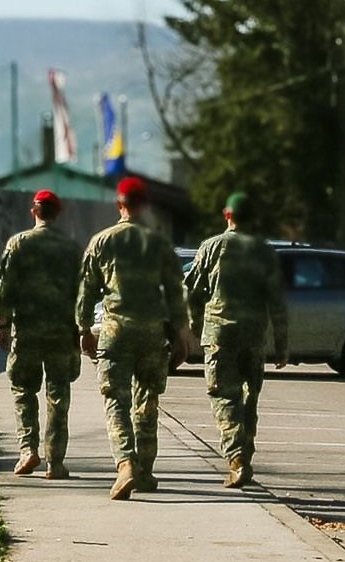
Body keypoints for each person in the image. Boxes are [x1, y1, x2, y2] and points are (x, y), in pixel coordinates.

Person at [77, 176, 193, 499]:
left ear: (120, 204)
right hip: (153, 334)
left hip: (115, 333)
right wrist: (182, 335)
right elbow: (175, 293)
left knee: (116, 400)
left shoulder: (102, 241)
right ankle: (144, 472)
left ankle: (125, 464)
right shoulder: (159, 245)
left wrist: (84, 329)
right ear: (145, 206)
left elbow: (86, 292)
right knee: (147, 402)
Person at [183, 190, 289, 489]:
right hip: (254, 334)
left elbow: (191, 289)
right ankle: (246, 457)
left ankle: (237, 460)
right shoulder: (264, 252)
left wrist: (195, 323)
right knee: (249, 398)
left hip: (220, 333)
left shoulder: (211, 247)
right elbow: (277, 302)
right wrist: (282, 344)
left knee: (224, 397)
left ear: (227, 215)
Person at [0, 189, 85, 477]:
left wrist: (2, 325)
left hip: (27, 330)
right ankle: (55, 461)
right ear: (57, 214)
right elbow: (82, 292)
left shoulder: (18, 244)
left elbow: (5, 286)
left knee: (23, 389)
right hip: (61, 331)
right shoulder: (71, 249)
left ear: (34, 211)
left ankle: (27, 450)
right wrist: (82, 330)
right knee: (58, 393)